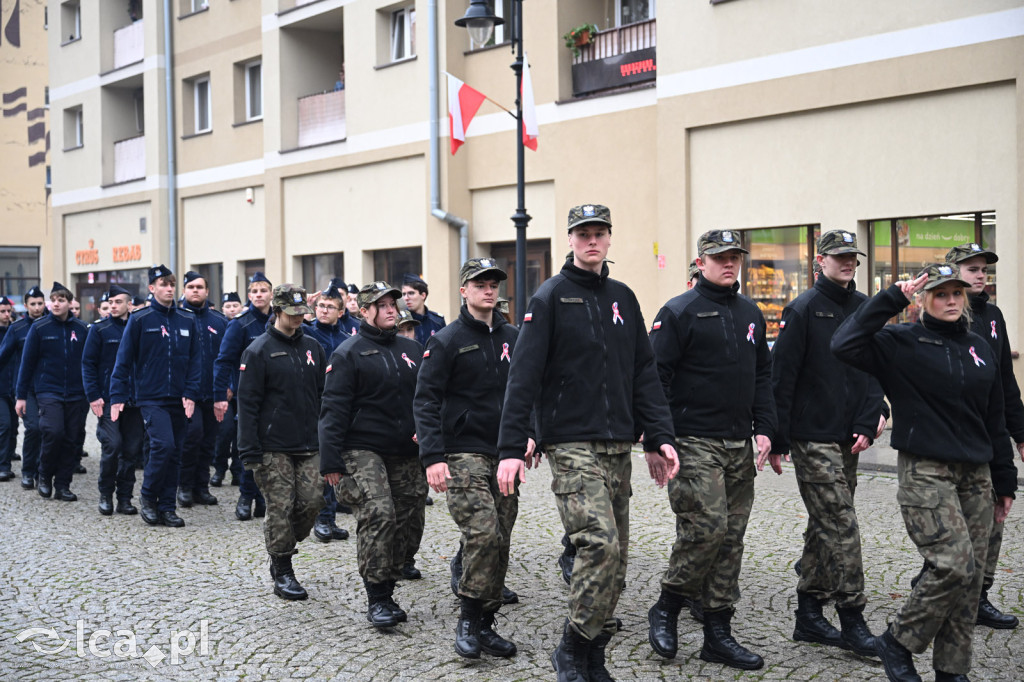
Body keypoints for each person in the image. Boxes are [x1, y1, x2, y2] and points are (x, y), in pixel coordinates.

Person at [496, 204, 679, 681]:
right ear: (571, 240)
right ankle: (572, 650)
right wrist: (512, 447)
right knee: (598, 544)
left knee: (615, 560)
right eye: (583, 234)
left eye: (599, 233)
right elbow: (524, 375)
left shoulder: (624, 296)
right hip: (570, 442)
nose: (591, 241)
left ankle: (593, 655)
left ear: (610, 239)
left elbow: (644, 371)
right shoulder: (550, 296)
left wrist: (659, 437)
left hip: (618, 443)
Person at [832, 263, 1016, 682]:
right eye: (940, 294)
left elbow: (995, 414)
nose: (951, 301)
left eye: (957, 294)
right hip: (926, 471)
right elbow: (843, 344)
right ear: (923, 299)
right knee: (953, 564)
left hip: (977, 475)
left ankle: (952, 671)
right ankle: (897, 641)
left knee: (970, 581)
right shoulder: (900, 341)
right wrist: (890, 298)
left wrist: (1004, 479)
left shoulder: (978, 346)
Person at [646, 229, 778, 672]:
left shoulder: (750, 313)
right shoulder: (679, 311)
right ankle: (667, 604)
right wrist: (657, 437)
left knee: (731, 538)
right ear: (700, 262)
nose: (728, 264)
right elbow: (654, 379)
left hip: (739, 442)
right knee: (706, 528)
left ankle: (718, 632)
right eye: (719, 257)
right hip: (692, 439)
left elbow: (763, 375)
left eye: (735, 257)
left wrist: (766, 429)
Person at [770, 230, 885, 657]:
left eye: (852, 257)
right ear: (820, 261)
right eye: (839, 257)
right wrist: (777, 437)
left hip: (849, 436)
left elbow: (876, 370)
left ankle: (808, 613)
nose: (848, 263)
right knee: (840, 523)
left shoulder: (864, 308)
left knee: (825, 524)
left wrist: (873, 415)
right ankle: (852, 618)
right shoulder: (802, 309)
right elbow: (782, 377)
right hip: (811, 435)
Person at [414, 258, 521, 660]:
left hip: (504, 454)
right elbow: (425, 400)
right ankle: (469, 619)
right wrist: (432, 456)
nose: (488, 290)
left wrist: (528, 435)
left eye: (493, 283)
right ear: (464, 290)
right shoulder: (446, 339)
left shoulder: (514, 335)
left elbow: (526, 392)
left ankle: (487, 623)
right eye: (480, 284)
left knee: (501, 538)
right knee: (483, 533)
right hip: (461, 452)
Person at [319, 281, 423, 629]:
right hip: (361, 448)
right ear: (364, 311)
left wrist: (429, 436)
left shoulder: (410, 348)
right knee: (379, 512)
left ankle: (390, 581)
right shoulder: (348, 353)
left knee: (409, 518)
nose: (392, 308)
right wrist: (331, 459)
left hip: (406, 449)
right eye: (383, 304)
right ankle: (378, 596)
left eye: (394, 303)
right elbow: (333, 410)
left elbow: (426, 399)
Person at [945, 242, 1024, 630]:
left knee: (995, 516)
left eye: (983, 269)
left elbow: (1005, 382)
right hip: (953, 438)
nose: (980, 275)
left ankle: (979, 595)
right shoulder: (946, 314)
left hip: (992, 435)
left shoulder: (993, 315)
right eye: (971, 268)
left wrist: (1020, 433)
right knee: (954, 525)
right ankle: (941, 584)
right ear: (953, 271)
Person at [237, 284, 326, 600]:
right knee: (280, 504)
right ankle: (282, 567)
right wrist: (249, 451)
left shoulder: (314, 346)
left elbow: (322, 394)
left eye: (303, 312)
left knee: (313, 500)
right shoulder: (258, 350)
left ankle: (285, 540)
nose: (300, 318)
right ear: (277, 312)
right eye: (293, 313)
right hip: (272, 445)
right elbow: (247, 404)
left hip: (309, 442)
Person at [109, 265, 201, 528]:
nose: (169, 288)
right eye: (163, 284)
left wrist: (191, 392)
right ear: (152, 288)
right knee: (163, 446)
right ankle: (148, 497)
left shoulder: (187, 319)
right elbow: (123, 360)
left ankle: (167, 507)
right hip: (151, 397)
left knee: (175, 453)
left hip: (180, 397)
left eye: (172, 284)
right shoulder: (140, 320)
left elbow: (196, 361)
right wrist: (117, 395)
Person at [15, 282, 91, 501]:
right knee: (53, 432)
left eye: (61, 300)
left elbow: (90, 362)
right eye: (54, 300)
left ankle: (63, 485)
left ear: (70, 303)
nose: (56, 304)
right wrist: (21, 397)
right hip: (48, 391)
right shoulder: (39, 328)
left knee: (71, 439)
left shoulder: (81, 329)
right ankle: (45, 474)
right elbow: (27, 364)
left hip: (76, 392)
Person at [215, 272, 273, 521]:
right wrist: (219, 394)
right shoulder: (240, 323)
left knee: (270, 451)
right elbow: (224, 360)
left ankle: (261, 499)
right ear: (249, 296)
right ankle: (246, 497)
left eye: (263, 290)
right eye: (255, 291)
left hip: (274, 397)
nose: (259, 295)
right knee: (249, 450)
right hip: (246, 398)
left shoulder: (278, 319)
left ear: (271, 294)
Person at [82, 285, 144, 515]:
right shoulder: (100, 330)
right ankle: (105, 494)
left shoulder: (138, 327)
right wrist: (94, 396)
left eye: (119, 302)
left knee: (131, 450)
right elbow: (88, 364)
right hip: (107, 399)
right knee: (112, 445)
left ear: (129, 304)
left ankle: (125, 498)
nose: (114, 306)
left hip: (135, 399)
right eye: (111, 302)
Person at [177, 271, 228, 508]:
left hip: (213, 392)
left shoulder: (219, 321)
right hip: (187, 394)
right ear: (184, 291)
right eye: (190, 287)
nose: (195, 290)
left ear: (207, 292)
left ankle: (202, 487)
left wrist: (228, 386)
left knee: (209, 441)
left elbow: (228, 357)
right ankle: (184, 486)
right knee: (192, 437)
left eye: (199, 287)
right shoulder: (177, 318)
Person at [305, 281, 350, 544]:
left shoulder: (346, 339)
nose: (323, 310)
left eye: (330, 307)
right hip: (315, 404)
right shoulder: (307, 334)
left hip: (341, 406)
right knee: (322, 463)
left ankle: (330, 518)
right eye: (320, 306)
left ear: (340, 312)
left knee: (335, 463)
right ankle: (321, 519)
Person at [0, 286, 47, 489]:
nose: (37, 308)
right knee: (32, 428)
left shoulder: (50, 325)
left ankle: (43, 470)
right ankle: (28, 471)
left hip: (48, 386)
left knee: (50, 430)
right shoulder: (17, 328)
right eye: (33, 304)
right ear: (26, 306)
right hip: (25, 388)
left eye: (40, 303)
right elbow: (3, 356)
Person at [401, 273, 445, 346]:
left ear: (423, 295)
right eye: (404, 294)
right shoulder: (400, 321)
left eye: (411, 293)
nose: (406, 298)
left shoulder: (437, 321)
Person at [0, 297, 17, 482]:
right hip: (0, 388)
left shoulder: (15, 330)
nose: (6, 315)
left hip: (15, 387)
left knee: (13, 427)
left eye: (8, 311)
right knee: (4, 425)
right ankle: (2, 465)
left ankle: (9, 454)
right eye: (2, 311)